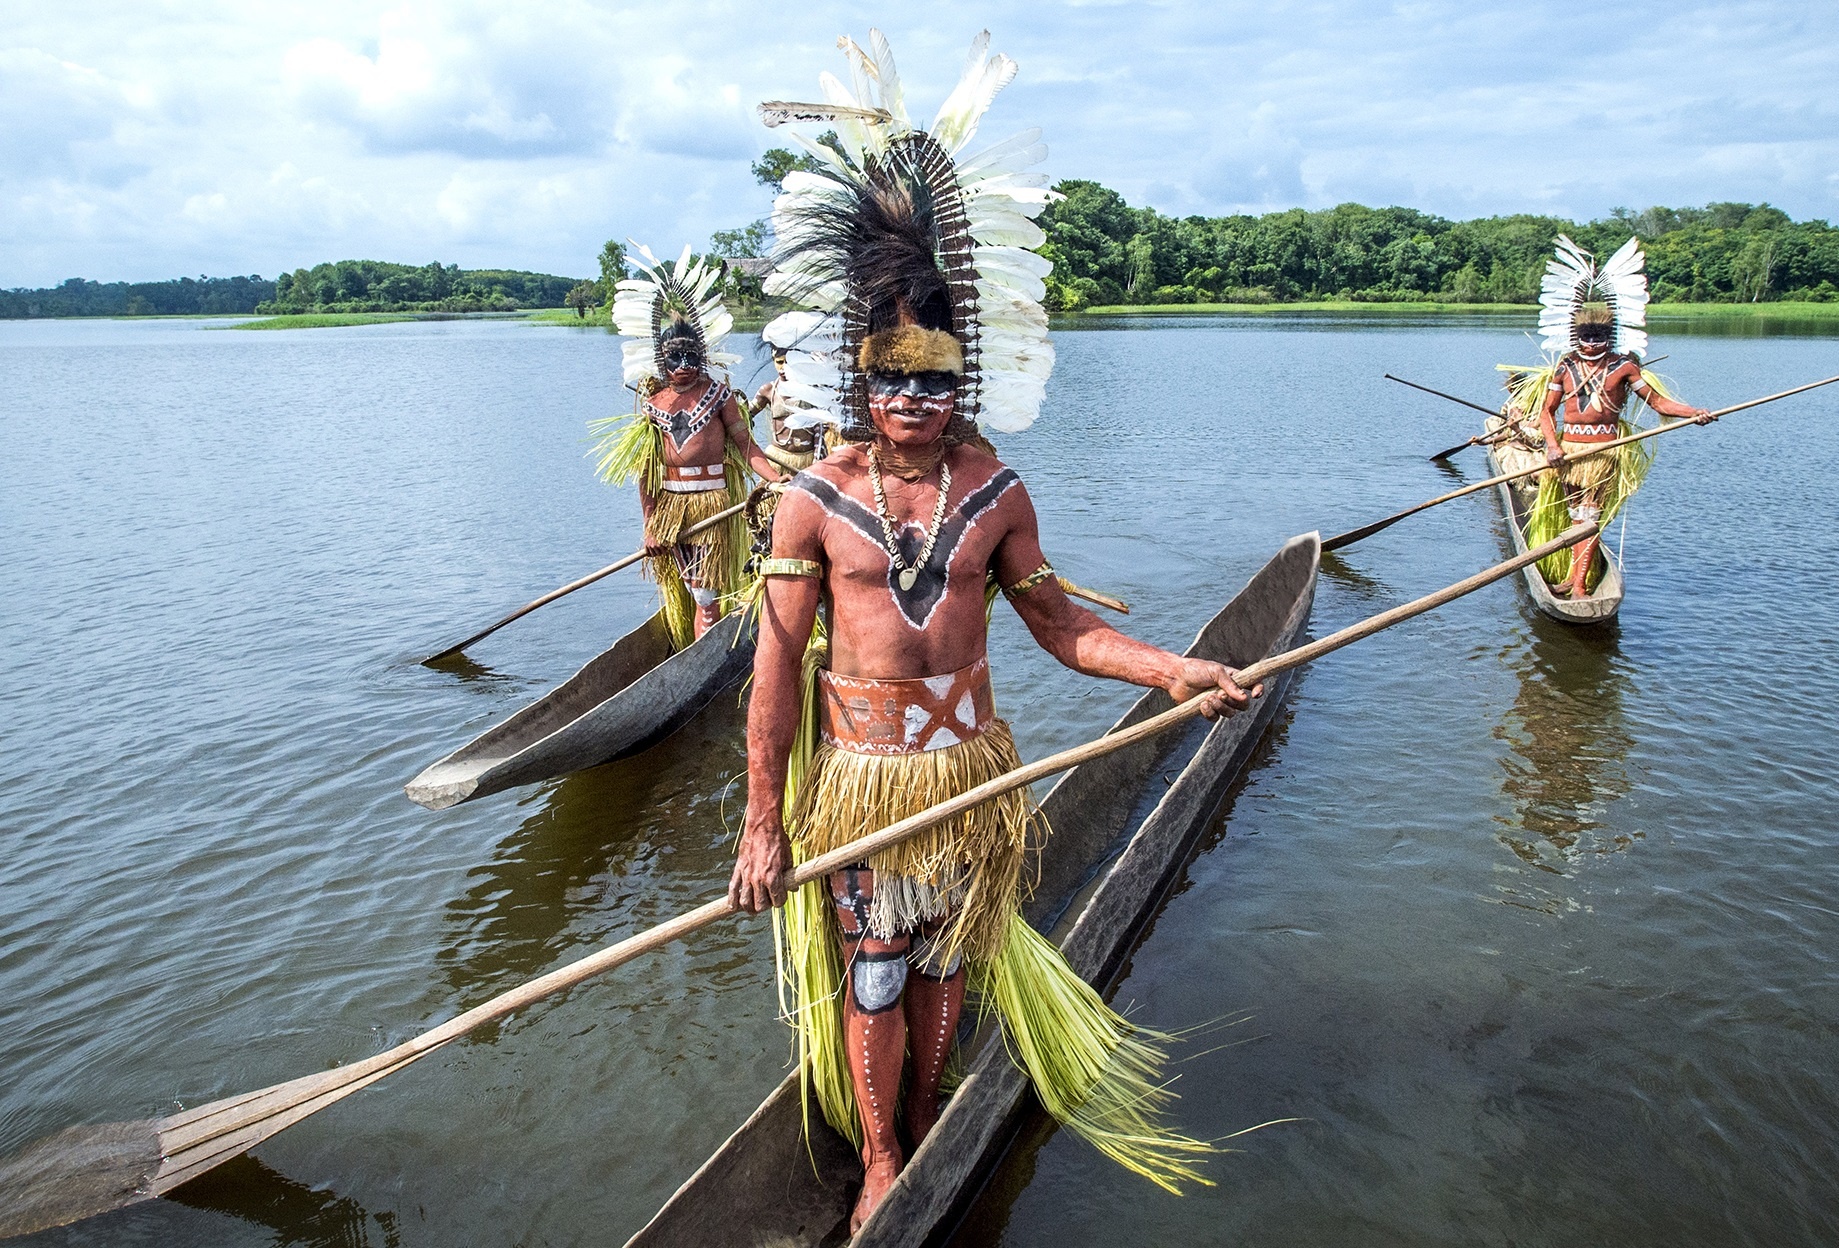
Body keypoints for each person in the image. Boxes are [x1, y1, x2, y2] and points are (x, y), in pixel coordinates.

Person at [728, 30, 1253, 1232]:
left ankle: (928, 1114)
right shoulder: (813, 501)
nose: (913, 401)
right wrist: (763, 823)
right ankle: (880, 1157)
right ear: (860, 380)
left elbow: (1063, 630)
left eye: (934, 380)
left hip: (968, 771)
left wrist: (1175, 669)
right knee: (873, 972)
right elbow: (774, 668)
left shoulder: (999, 492)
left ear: (964, 377)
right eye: (892, 380)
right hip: (860, 781)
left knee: (948, 959)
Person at [594, 246, 784, 645]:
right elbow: (647, 473)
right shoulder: (653, 405)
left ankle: (707, 649)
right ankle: (700, 650)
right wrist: (651, 525)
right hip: (671, 509)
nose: (683, 364)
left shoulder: (718, 395)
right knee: (694, 590)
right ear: (659, 360)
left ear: (704, 354)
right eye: (674, 357)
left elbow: (746, 445)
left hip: (712, 506)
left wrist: (774, 479)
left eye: (691, 355)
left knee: (706, 595)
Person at [1528, 236, 1713, 597]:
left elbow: (1658, 403)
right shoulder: (1565, 366)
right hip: (1569, 454)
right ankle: (1573, 579)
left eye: (1599, 336)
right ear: (1575, 335)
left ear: (1610, 335)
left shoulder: (1624, 367)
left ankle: (1579, 586)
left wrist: (1694, 413)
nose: (1592, 343)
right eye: (1586, 336)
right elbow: (1546, 412)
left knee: (1590, 517)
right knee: (1576, 516)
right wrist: (1552, 446)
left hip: (1604, 453)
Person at [748, 346, 822, 474]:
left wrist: (817, 458)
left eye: (789, 363)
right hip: (777, 458)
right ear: (774, 361)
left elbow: (820, 427)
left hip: (807, 460)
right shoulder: (768, 390)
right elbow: (745, 416)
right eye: (780, 362)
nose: (784, 367)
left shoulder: (812, 389)